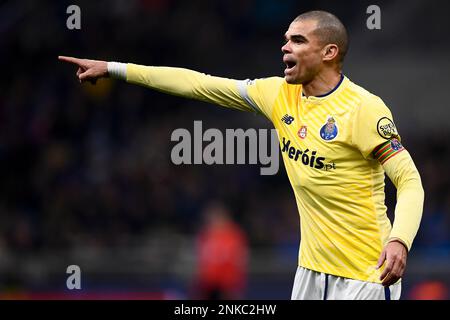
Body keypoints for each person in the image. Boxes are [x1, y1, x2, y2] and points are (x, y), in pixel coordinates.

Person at [59, 10, 424, 300]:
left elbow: (409, 181)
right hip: (310, 273)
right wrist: (115, 69)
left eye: (298, 41)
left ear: (329, 52)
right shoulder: (277, 93)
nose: (285, 47)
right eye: (285, 40)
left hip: (367, 275)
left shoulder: (364, 109)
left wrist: (399, 239)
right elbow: (199, 84)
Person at [193, 201, 248, 300]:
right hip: (207, 284)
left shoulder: (234, 235)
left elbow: (239, 261)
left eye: (215, 217)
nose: (212, 221)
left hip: (227, 283)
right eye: (210, 218)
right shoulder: (205, 235)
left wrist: (235, 284)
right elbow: (201, 260)